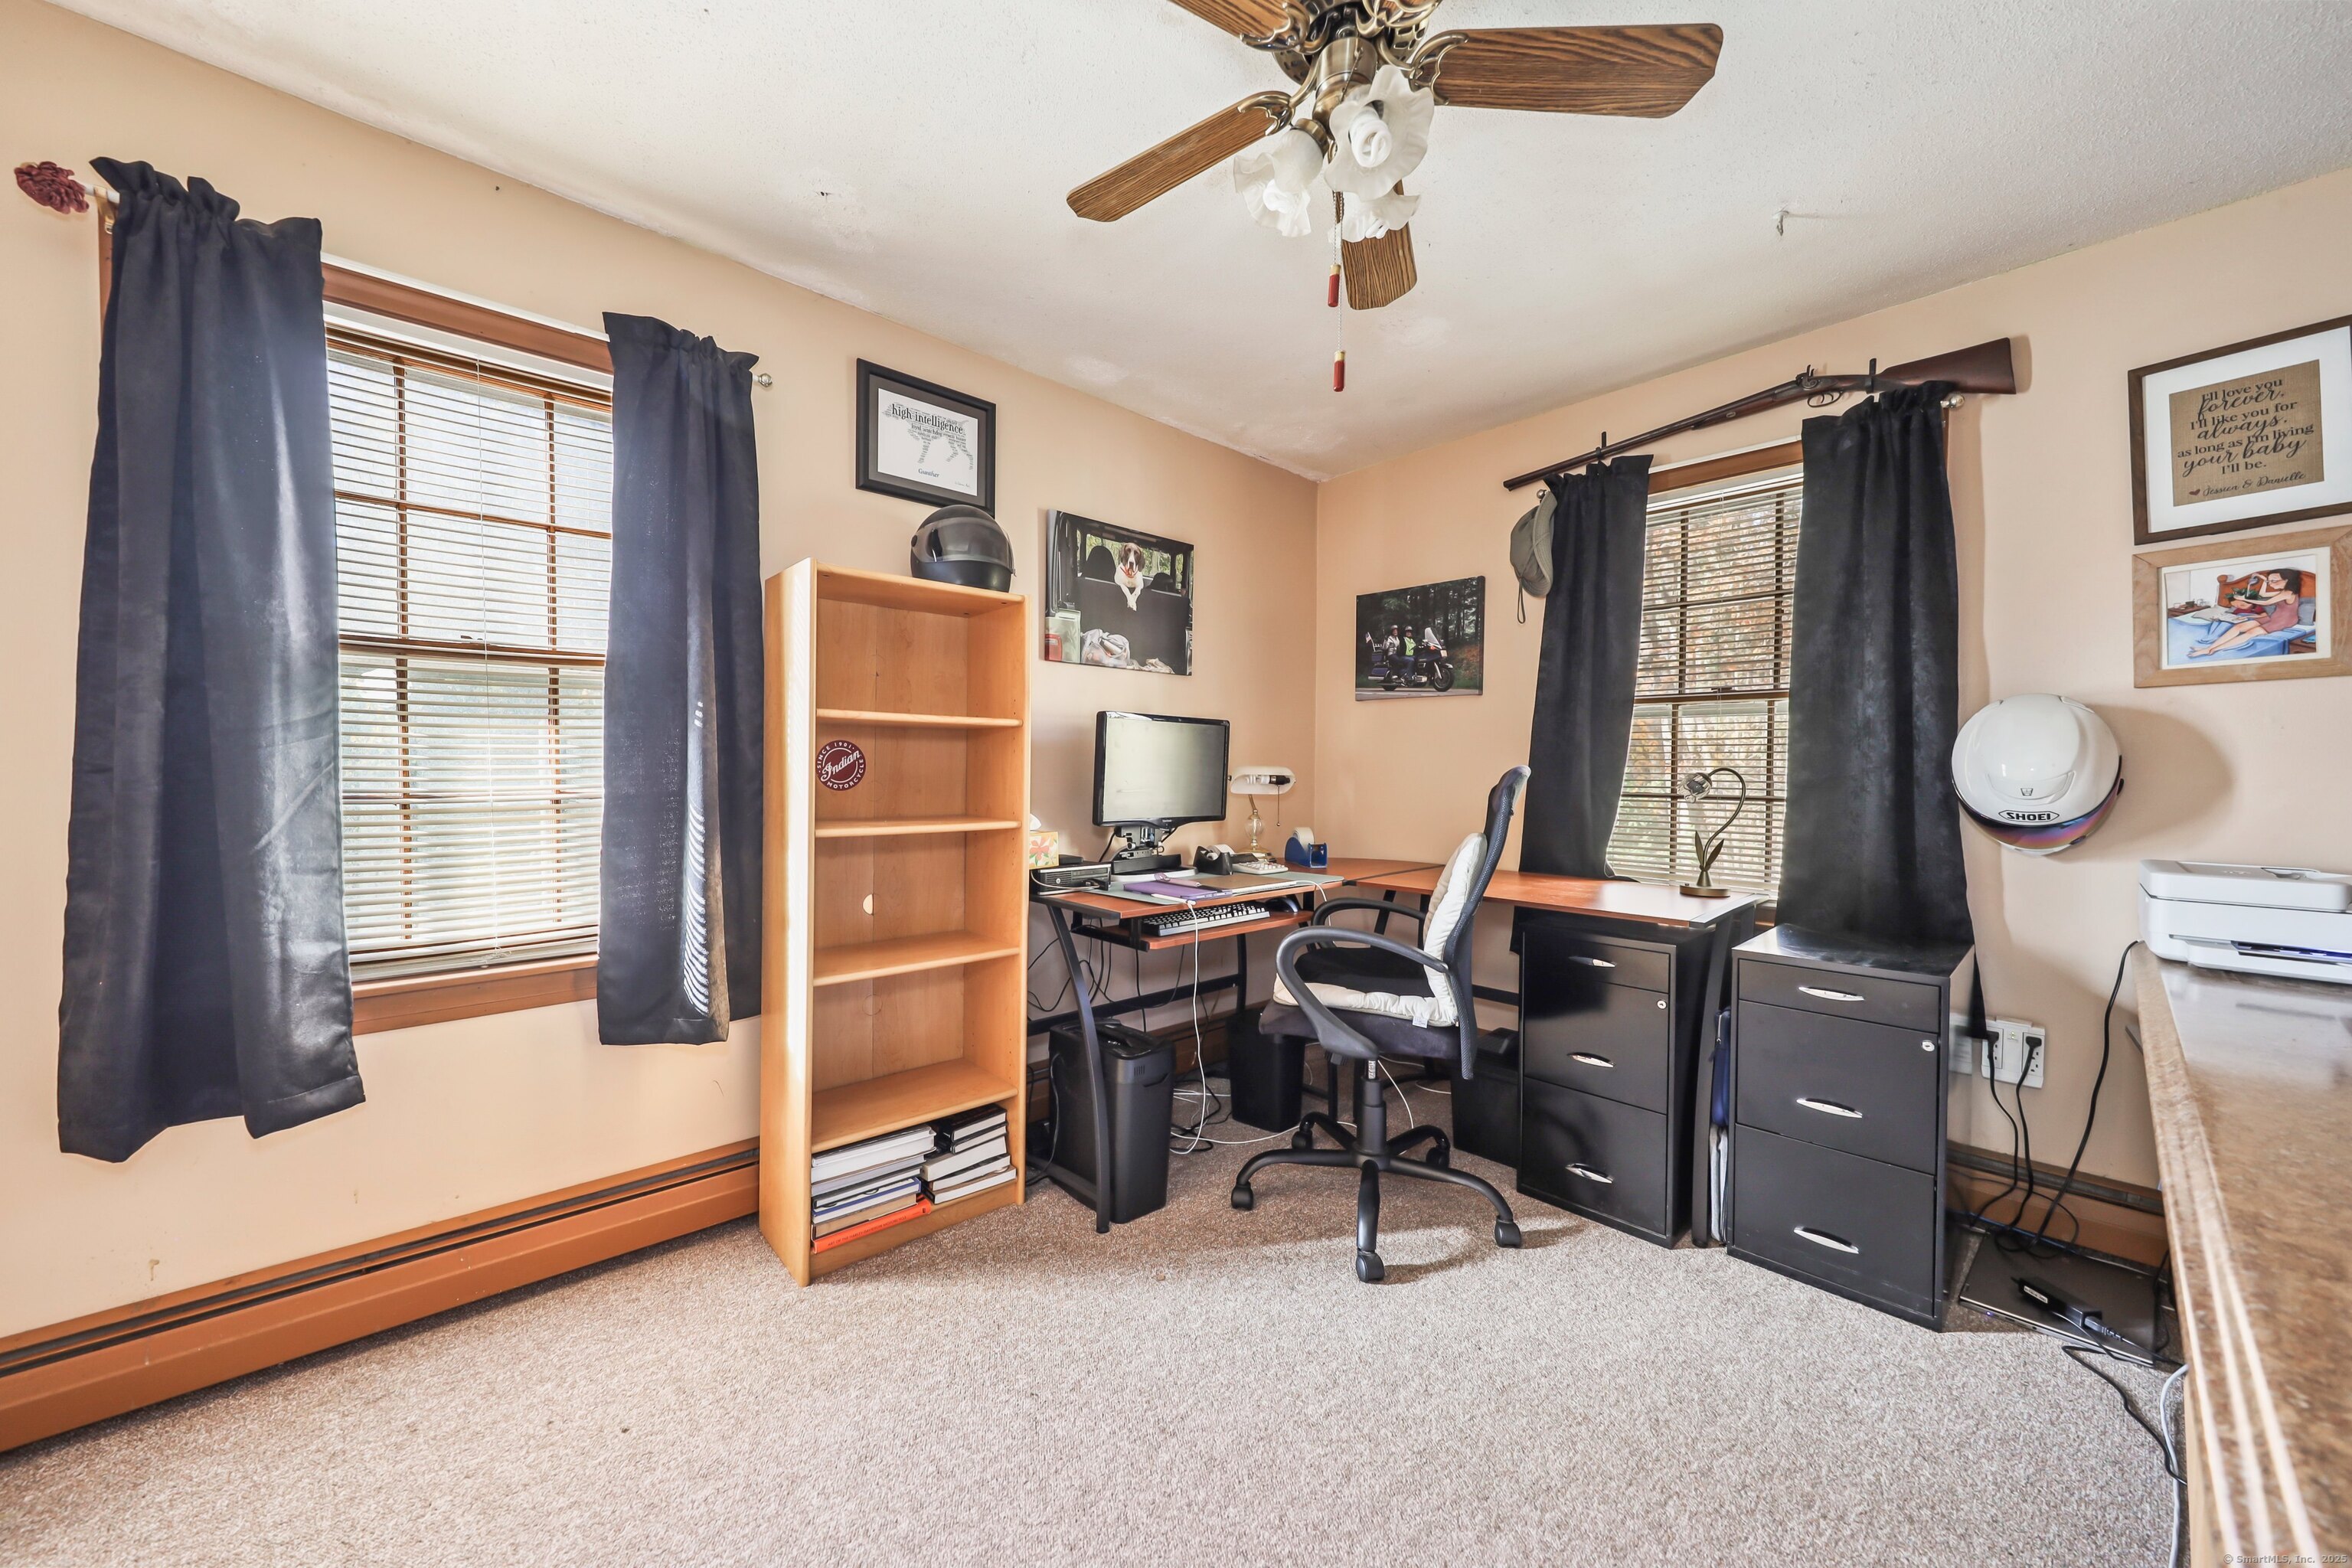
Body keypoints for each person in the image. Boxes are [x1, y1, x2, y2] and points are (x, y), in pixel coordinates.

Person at [2189, 568, 2303, 658]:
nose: (2271, 584)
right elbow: (2263, 595)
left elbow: (2266, 602)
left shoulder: (2288, 593)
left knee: (2251, 632)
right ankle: (2210, 647)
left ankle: (2211, 650)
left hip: (2284, 621)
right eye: (2270, 581)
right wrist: (2264, 580)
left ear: (2287, 580)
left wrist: (2245, 599)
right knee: (2239, 627)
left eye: (2274, 581)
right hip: (2274, 617)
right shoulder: (2282, 591)